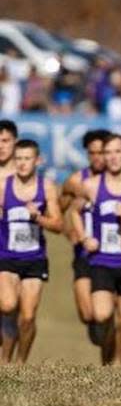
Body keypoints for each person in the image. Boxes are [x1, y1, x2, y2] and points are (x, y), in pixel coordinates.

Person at [73, 134, 121, 365]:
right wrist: (84, 238)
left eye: (117, 152)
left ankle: (117, 366)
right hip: (101, 261)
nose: (112, 157)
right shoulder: (92, 185)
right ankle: (106, 362)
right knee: (102, 315)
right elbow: (74, 211)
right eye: (108, 152)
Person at [0, 139, 62, 363]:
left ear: (38, 160)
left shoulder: (46, 187)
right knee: (7, 304)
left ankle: (21, 363)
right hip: (6, 256)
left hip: (34, 259)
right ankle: (5, 361)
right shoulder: (3, 185)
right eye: (18, 159)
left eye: (27, 159)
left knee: (27, 317)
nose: (22, 163)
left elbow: (58, 225)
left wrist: (38, 216)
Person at [61, 129, 110, 358]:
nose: (98, 158)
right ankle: (96, 329)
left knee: (109, 315)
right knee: (87, 314)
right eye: (93, 153)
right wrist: (68, 230)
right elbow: (58, 208)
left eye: (102, 152)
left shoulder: (118, 180)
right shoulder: (76, 180)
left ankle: (109, 366)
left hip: (113, 255)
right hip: (84, 255)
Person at [0, 119, 19, 360]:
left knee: (10, 306)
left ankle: (8, 365)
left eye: (5, 141)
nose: (1, 146)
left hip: (14, 249)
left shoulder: (24, 172)